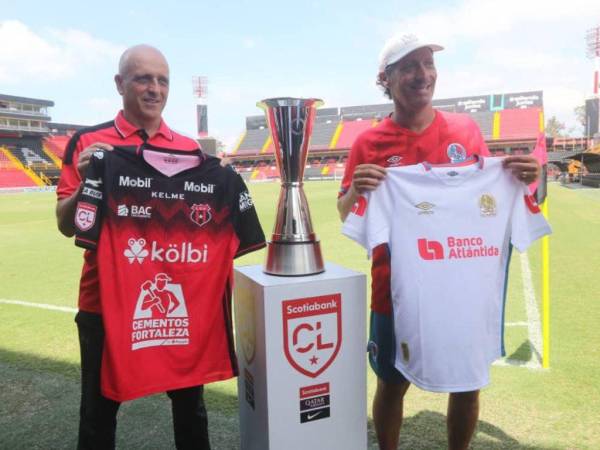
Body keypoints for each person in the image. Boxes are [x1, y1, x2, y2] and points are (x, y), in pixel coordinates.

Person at [337, 34, 541, 450]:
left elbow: (489, 193)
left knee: (466, 384)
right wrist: (356, 191)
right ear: (386, 78)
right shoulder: (368, 143)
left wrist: (522, 177)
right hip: (394, 286)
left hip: (462, 286)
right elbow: (346, 214)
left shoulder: (464, 129)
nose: (423, 74)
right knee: (392, 383)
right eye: (410, 66)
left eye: (428, 64)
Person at [56, 45, 211, 449]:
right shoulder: (89, 142)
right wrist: (89, 182)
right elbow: (65, 225)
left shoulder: (189, 149)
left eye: (162, 80)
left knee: (191, 406)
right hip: (103, 302)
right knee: (98, 413)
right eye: (143, 78)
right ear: (120, 83)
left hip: (175, 299)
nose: (154, 89)